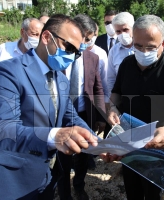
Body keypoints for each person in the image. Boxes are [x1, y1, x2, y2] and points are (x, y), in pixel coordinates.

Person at [0, 14, 98, 200]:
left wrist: (98, 142)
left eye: (76, 52)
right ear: (46, 37)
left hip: (46, 176)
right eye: (68, 47)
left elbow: (71, 117)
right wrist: (55, 135)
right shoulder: (7, 71)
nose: (71, 56)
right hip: (14, 178)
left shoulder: (60, 79)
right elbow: (4, 129)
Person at [105, 15, 164, 200]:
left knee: (151, 190)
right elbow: (116, 91)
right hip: (129, 137)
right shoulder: (127, 64)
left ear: (163, 43)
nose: (144, 52)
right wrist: (112, 108)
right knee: (131, 185)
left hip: (156, 142)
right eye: (139, 46)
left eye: (151, 47)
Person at [54, 14, 106, 200]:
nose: (85, 42)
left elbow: (98, 87)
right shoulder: (57, 56)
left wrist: (101, 116)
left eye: (89, 38)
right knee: (63, 158)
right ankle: (64, 193)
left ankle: (79, 185)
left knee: (84, 155)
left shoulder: (93, 57)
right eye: (84, 38)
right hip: (61, 115)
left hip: (86, 113)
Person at [87, 24, 109, 111]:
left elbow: (104, 80)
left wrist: (106, 101)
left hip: (96, 99)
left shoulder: (101, 53)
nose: (92, 38)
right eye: (90, 35)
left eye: (95, 35)